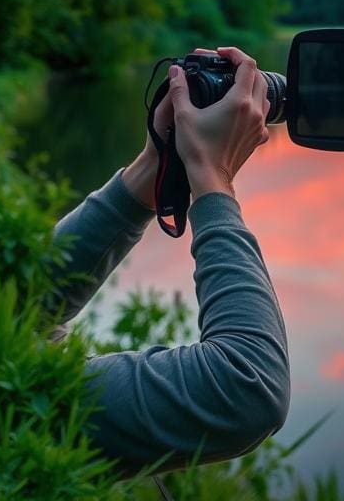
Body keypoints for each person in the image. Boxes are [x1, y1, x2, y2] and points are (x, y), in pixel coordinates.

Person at [48, 46, 289, 477]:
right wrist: (212, 176)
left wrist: (157, 164)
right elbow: (247, 387)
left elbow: (8, 303)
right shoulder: (4, 397)